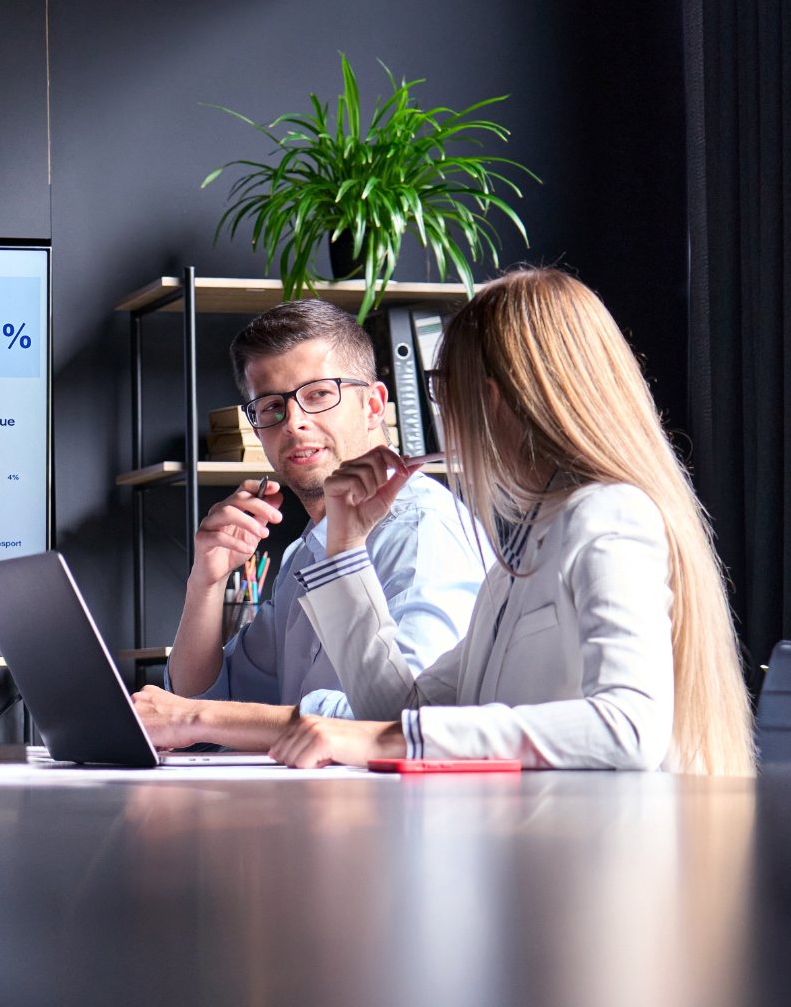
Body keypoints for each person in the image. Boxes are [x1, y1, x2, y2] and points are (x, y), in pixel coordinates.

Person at [268, 269, 755, 775]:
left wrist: (399, 739)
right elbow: (400, 714)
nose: (443, 413)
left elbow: (630, 727)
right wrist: (346, 545)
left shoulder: (609, 515)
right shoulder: (522, 552)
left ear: (492, 398)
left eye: (443, 388)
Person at [132, 299, 488, 751]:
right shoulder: (305, 553)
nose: (294, 423)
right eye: (271, 406)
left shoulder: (422, 534)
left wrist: (196, 718)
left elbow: (406, 724)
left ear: (374, 406)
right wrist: (206, 584)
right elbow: (206, 707)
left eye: (319, 394)